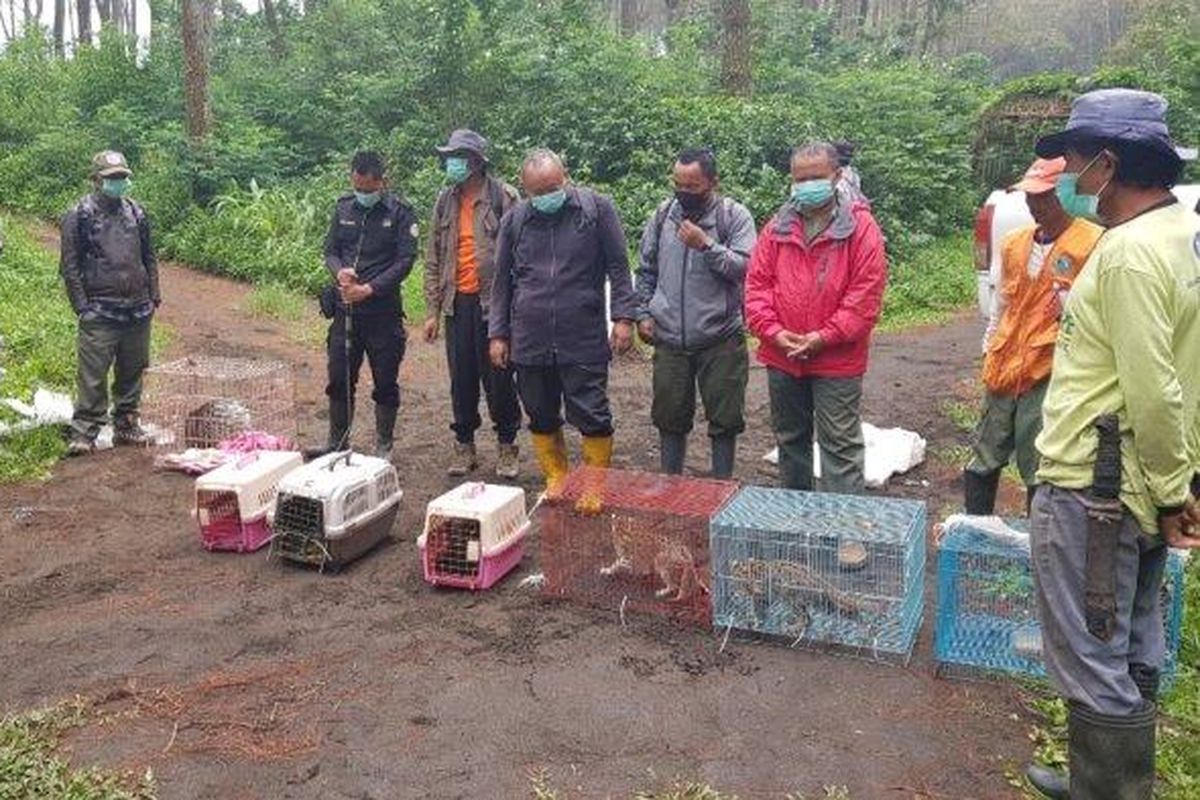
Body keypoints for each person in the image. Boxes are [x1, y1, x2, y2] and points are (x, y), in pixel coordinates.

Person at [1023, 89, 1200, 800]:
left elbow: (1155, 386)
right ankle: (1106, 780)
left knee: (1092, 650)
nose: (1067, 175)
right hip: (1143, 480)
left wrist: (1167, 491)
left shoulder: (1126, 254)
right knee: (1131, 638)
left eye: (1073, 160)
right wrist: (1183, 483)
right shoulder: (1181, 236)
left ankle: (1111, 792)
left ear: (1109, 162)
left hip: (1096, 489)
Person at [488, 149, 637, 498]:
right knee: (539, 410)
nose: (546, 197)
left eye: (552, 187)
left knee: (591, 410)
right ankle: (557, 478)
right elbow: (501, 282)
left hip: (581, 332)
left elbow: (619, 266)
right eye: (537, 193)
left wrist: (623, 316)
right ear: (525, 191)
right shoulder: (515, 220)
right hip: (530, 335)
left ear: (566, 177)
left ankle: (594, 485)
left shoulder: (596, 209)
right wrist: (498, 333)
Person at [744, 141, 888, 495]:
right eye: (801, 178)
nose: (808, 185)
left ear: (837, 176)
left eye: (817, 177)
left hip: (837, 358)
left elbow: (864, 296)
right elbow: (756, 286)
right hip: (782, 355)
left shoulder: (861, 228)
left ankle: (845, 534)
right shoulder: (776, 227)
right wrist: (774, 332)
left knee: (839, 444)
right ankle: (798, 523)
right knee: (790, 441)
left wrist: (824, 336)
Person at [964, 157, 1103, 515]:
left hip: (1050, 370)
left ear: (1066, 193)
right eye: (1030, 197)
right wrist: (989, 344)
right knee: (984, 453)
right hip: (1005, 364)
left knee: (1038, 462)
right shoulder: (1015, 243)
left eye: (1044, 197)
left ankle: (1036, 547)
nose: (1034, 205)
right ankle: (973, 532)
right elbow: (1003, 303)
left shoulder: (1093, 244)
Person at [634, 147, 757, 478]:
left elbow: (745, 268)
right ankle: (672, 487)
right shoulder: (663, 216)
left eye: (693, 186)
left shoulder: (734, 216)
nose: (684, 193)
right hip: (670, 337)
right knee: (669, 418)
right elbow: (645, 270)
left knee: (725, 420)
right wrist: (643, 313)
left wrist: (706, 245)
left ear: (713, 182)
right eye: (679, 185)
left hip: (720, 337)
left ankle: (721, 487)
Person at [423, 129, 523, 478]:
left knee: (499, 379)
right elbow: (433, 256)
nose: (452, 163)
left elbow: (521, 257)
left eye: (459, 157)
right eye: (450, 157)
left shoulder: (504, 197)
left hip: (494, 306)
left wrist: (515, 311)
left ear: (477, 162)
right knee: (461, 379)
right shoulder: (445, 200)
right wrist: (432, 311)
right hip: (457, 304)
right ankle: (463, 445)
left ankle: (507, 445)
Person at [316, 151, 418, 460]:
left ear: (382, 183)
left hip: (383, 313)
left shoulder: (401, 213)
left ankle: (383, 445)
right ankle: (337, 441)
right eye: (358, 187)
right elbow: (330, 250)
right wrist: (339, 271)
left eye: (368, 189)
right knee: (339, 377)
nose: (362, 194)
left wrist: (370, 289)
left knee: (385, 379)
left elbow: (405, 261)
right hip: (345, 311)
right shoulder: (344, 207)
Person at [59, 150, 160, 456]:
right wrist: (82, 307)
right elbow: (70, 265)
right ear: (96, 179)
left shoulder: (136, 212)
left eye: (121, 178)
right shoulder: (79, 214)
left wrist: (154, 294)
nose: (118, 183)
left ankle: (127, 424)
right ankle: (85, 431)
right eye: (111, 178)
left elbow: (149, 257)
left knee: (132, 369)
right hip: (100, 310)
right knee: (93, 374)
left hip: (138, 308)